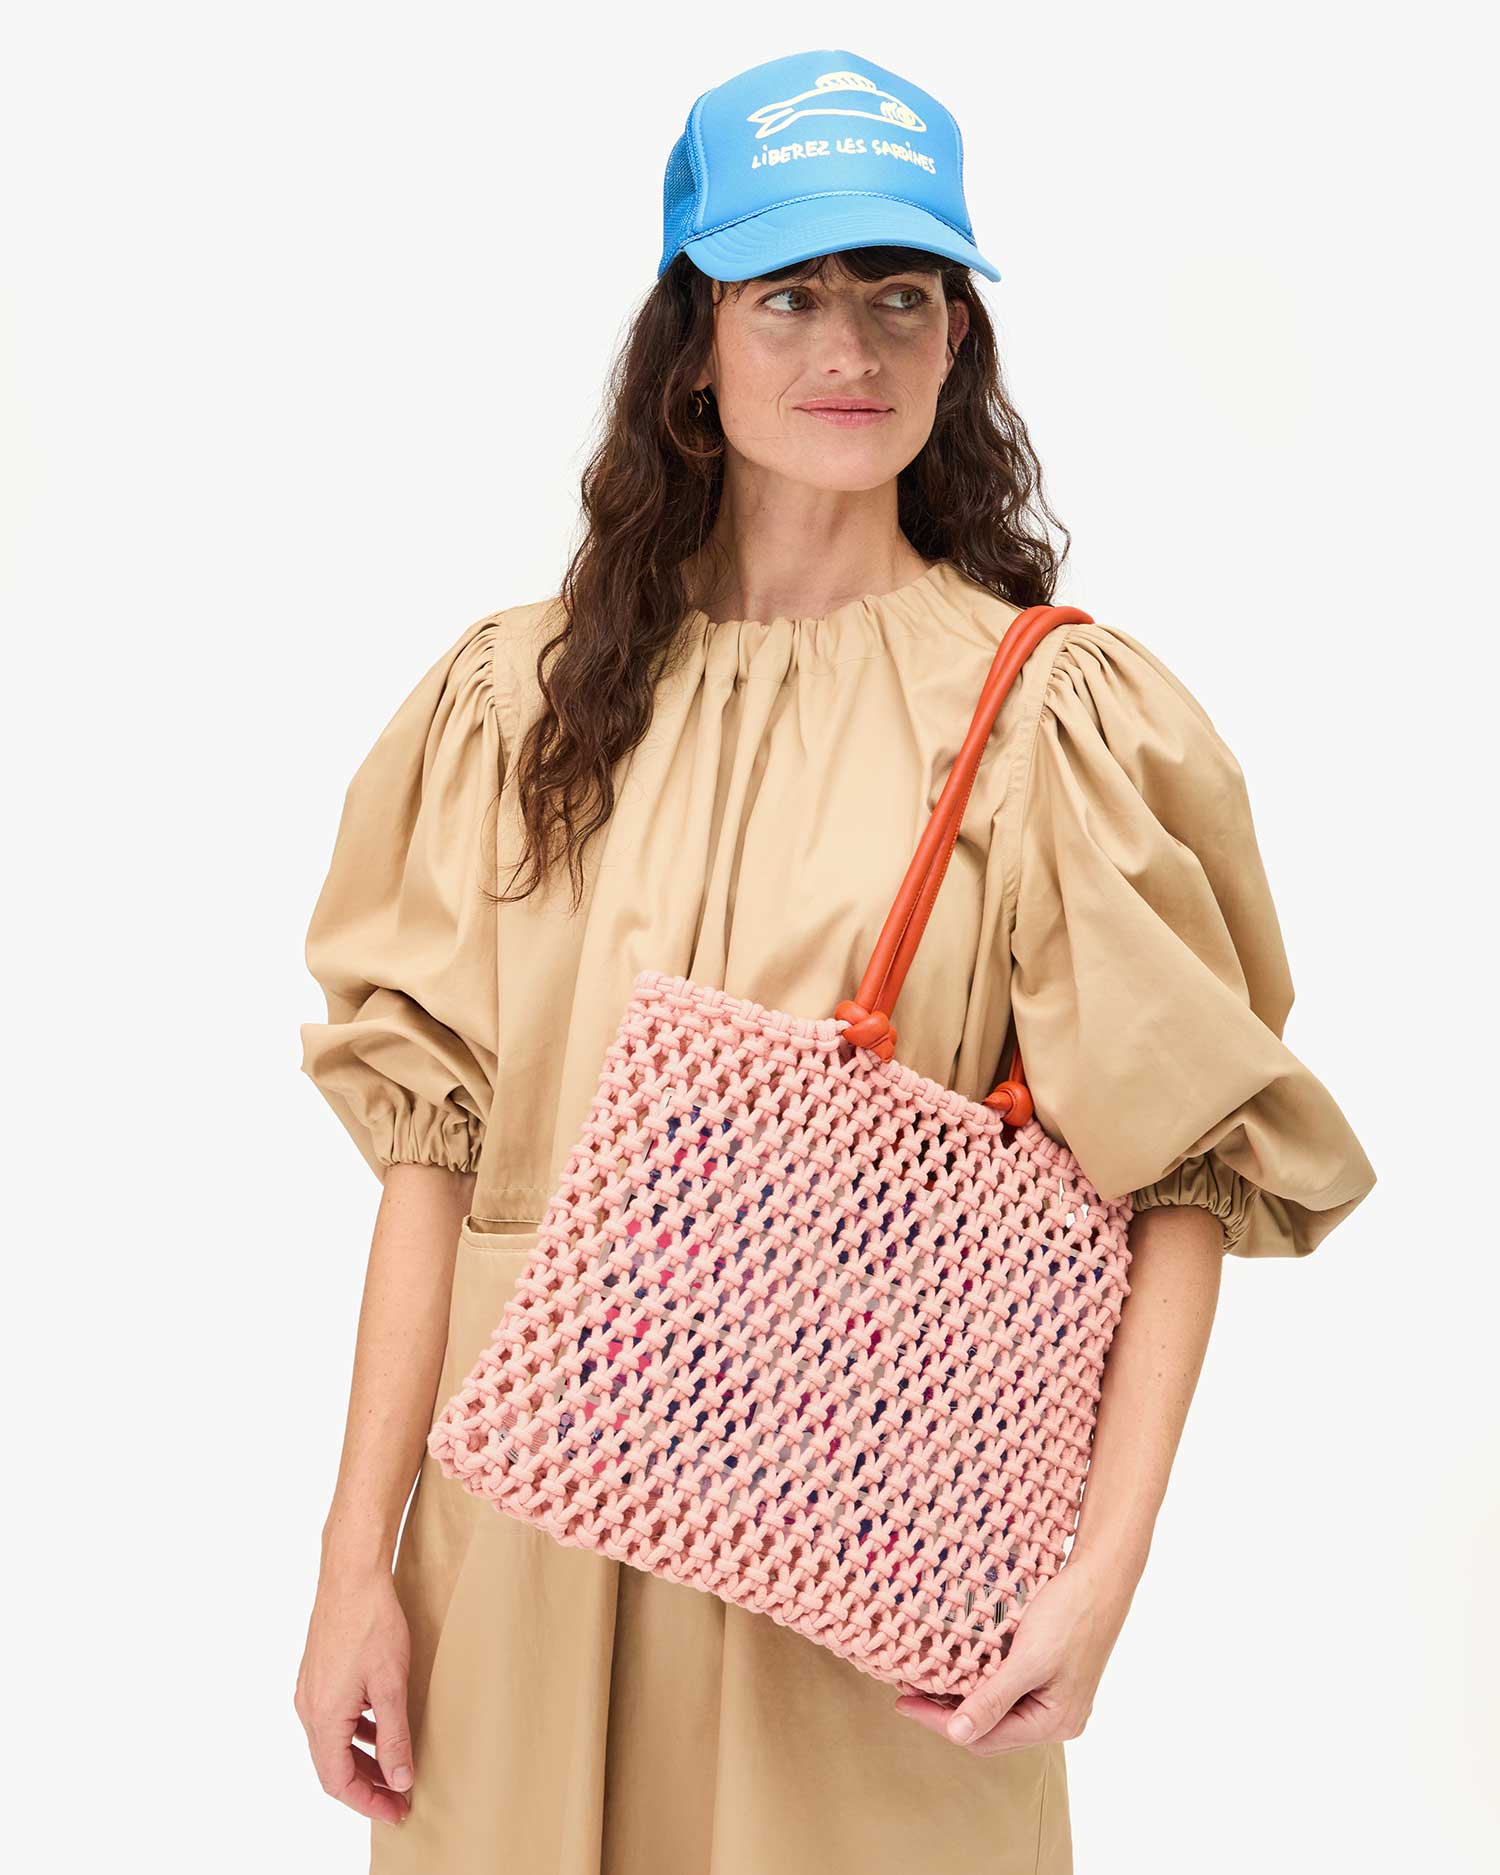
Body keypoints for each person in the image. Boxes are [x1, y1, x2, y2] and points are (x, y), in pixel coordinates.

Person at [293, 47, 1376, 1875]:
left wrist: (1099, 1586)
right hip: (524, 1567)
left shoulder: (1045, 720)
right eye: (787, 292)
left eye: (900, 294)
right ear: (692, 344)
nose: (848, 347)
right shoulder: (519, 704)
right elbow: (434, 1157)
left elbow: (1180, 1169)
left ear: (960, 344)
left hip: (864, 1586)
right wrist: (355, 1569)